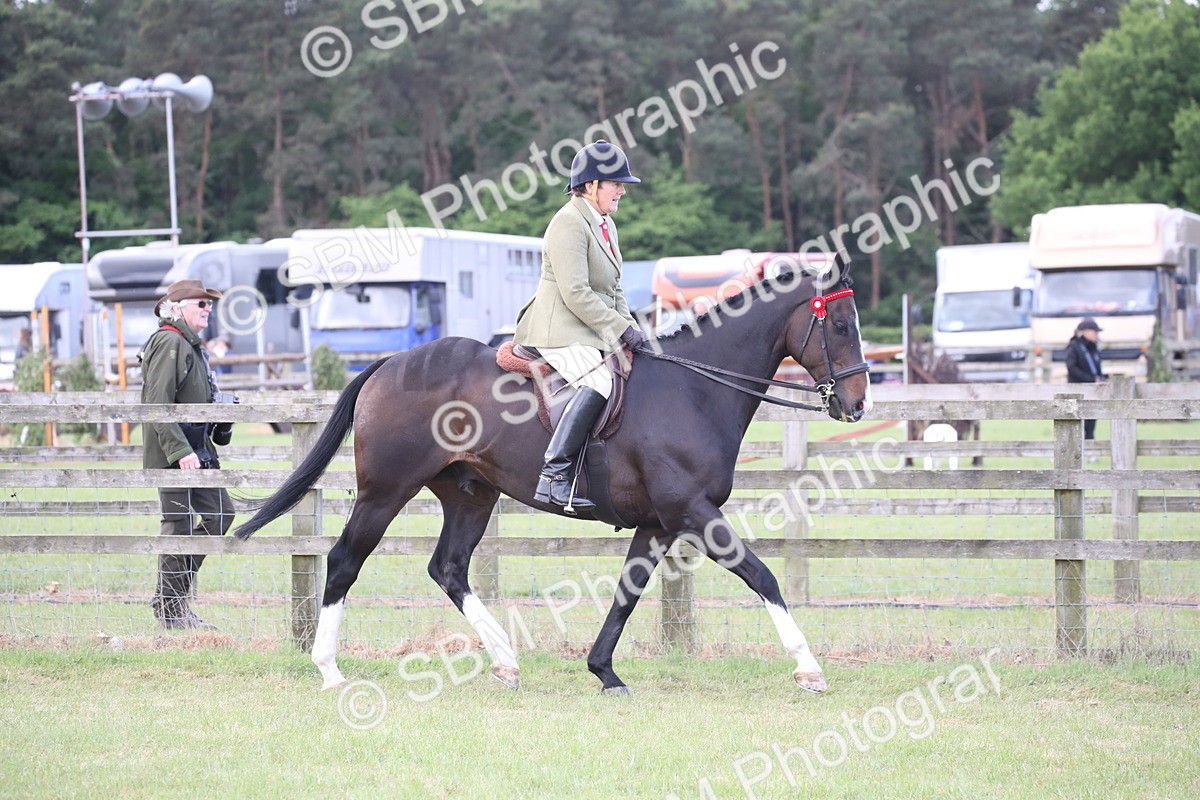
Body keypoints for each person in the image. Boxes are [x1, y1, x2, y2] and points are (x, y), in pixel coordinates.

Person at [513, 139, 647, 513]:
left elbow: (615, 287)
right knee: (599, 381)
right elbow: (576, 292)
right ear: (590, 186)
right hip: (558, 329)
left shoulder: (605, 224)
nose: (622, 189)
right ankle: (553, 475)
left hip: (587, 327)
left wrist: (632, 330)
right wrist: (618, 330)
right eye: (615, 183)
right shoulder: (568, 223)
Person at [140, 279, 236, 629]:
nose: (208, 309)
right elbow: (157, 404)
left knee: (221, 514)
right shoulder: (168, 341)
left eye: (209, 305)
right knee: (178, 526)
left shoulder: (191, 345)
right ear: (178, 307)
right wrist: (180, 450)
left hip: (199, 449)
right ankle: (171, 608)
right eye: (201, 304)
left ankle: (169, 594)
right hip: (175, 453)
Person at [1065, 316, 1107, 440]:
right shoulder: (1074, 347)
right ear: (1086, 331)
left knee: (1091, 422)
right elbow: (1072, 368)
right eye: (1095, 331)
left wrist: (1101, 378)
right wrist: (1090, 379)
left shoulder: (1093, 348)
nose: (1096, 334)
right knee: (1078, 424)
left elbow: (1097, 367)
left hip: (1092, 390)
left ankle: (1090, 450)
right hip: (1077, 389)